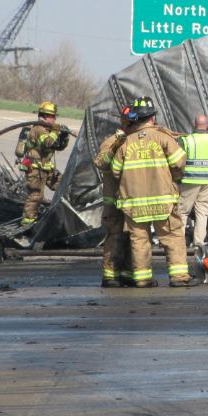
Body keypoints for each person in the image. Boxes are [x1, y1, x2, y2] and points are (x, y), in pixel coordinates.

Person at [111, 96, 198, 288]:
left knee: (139, 241)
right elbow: (178, 163)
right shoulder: (164, 138)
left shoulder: (125, 142)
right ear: (152, 118)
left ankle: (142, 279)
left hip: (134, 203)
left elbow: (115, 170)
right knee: (172, 236)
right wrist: (170, 176)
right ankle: (179, 278)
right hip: (163, 201)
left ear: (136, 119)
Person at [94, 105, 137, 287]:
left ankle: (126, 273)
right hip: (115, 200)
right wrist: (114, 149)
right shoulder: (113, 141)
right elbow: (101, 163)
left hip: (131, 199)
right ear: (128, 124)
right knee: (115, 236)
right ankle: (110, 275)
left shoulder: (134, 141)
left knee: (131, 237)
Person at [20, 101, 69, 225]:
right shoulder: (38, 129)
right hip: (36, 169)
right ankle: (28, 221)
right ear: (46, 116)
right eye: (53, 116)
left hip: (46, 168)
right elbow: (47, 142)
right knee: (36, 194)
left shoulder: (47, 130)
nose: (55, 119)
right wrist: (55, 132)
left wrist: (64, 137)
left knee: (63, 185)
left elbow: (57, 146)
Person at [178, 115, 208, 247]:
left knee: (182, 211)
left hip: (189, 181)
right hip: (207, 181)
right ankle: (199, 242)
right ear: (207, 126)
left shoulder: (187, 140)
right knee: (202, 212)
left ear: (194, 125)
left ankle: (179, 243)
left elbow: (178, 159)